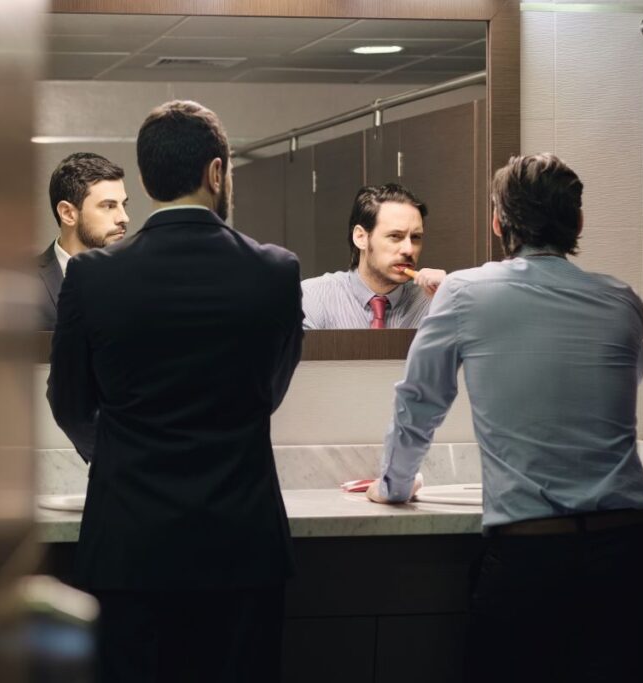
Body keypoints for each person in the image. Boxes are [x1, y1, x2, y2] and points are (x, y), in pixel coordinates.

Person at [366, 153, 643, 682]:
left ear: (498, 222)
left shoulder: (465, 291)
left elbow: (419, 402)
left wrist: (393, 484)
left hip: (532, 558)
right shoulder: (623, 301)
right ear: (578, 222)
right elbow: (623, 386)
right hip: (627, 551)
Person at [47, 101, 303, 683]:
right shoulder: (276, 271)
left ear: (145, 179)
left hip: (130, 545)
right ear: (217, 173)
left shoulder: (93, 276)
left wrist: (115, 452)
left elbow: (67, 398)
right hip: (241, 543)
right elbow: (271, 388)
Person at [301, 183, 446, 329]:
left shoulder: (435, 300)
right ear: (361, 237)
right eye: (395, 236)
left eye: (415, 237)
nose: (409, 250)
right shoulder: (313, 297)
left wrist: (453, 297)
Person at [37, 152, 128, 329]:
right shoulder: (24, 284)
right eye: (109, 206)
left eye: (123, 205)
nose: (124, 218)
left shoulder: (140, 279)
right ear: (68, 213)